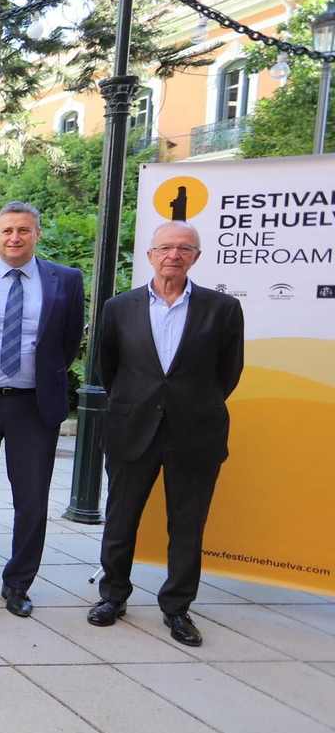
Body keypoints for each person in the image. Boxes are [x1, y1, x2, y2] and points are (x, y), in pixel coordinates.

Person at [88, 221, 244, 647]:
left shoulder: (223, 309)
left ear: (196, 256)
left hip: (195, 431)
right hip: (132, 428)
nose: (173, 255)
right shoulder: (119, 307)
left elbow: (228, 373)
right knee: (120, 520)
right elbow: (109, 368)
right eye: (165, 248)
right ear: (150, 255)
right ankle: (112, 596)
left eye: (184, 248)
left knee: (188, 526)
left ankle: (177, 608)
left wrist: (191, 404)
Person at [0, 202, 85, 617]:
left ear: (37, 234)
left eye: (23, 230)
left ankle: (18, 583)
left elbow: (70, 337)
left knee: (32, 501)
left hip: (34, 407)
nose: (14, 238)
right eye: (7, 230)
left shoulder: (66, 280)